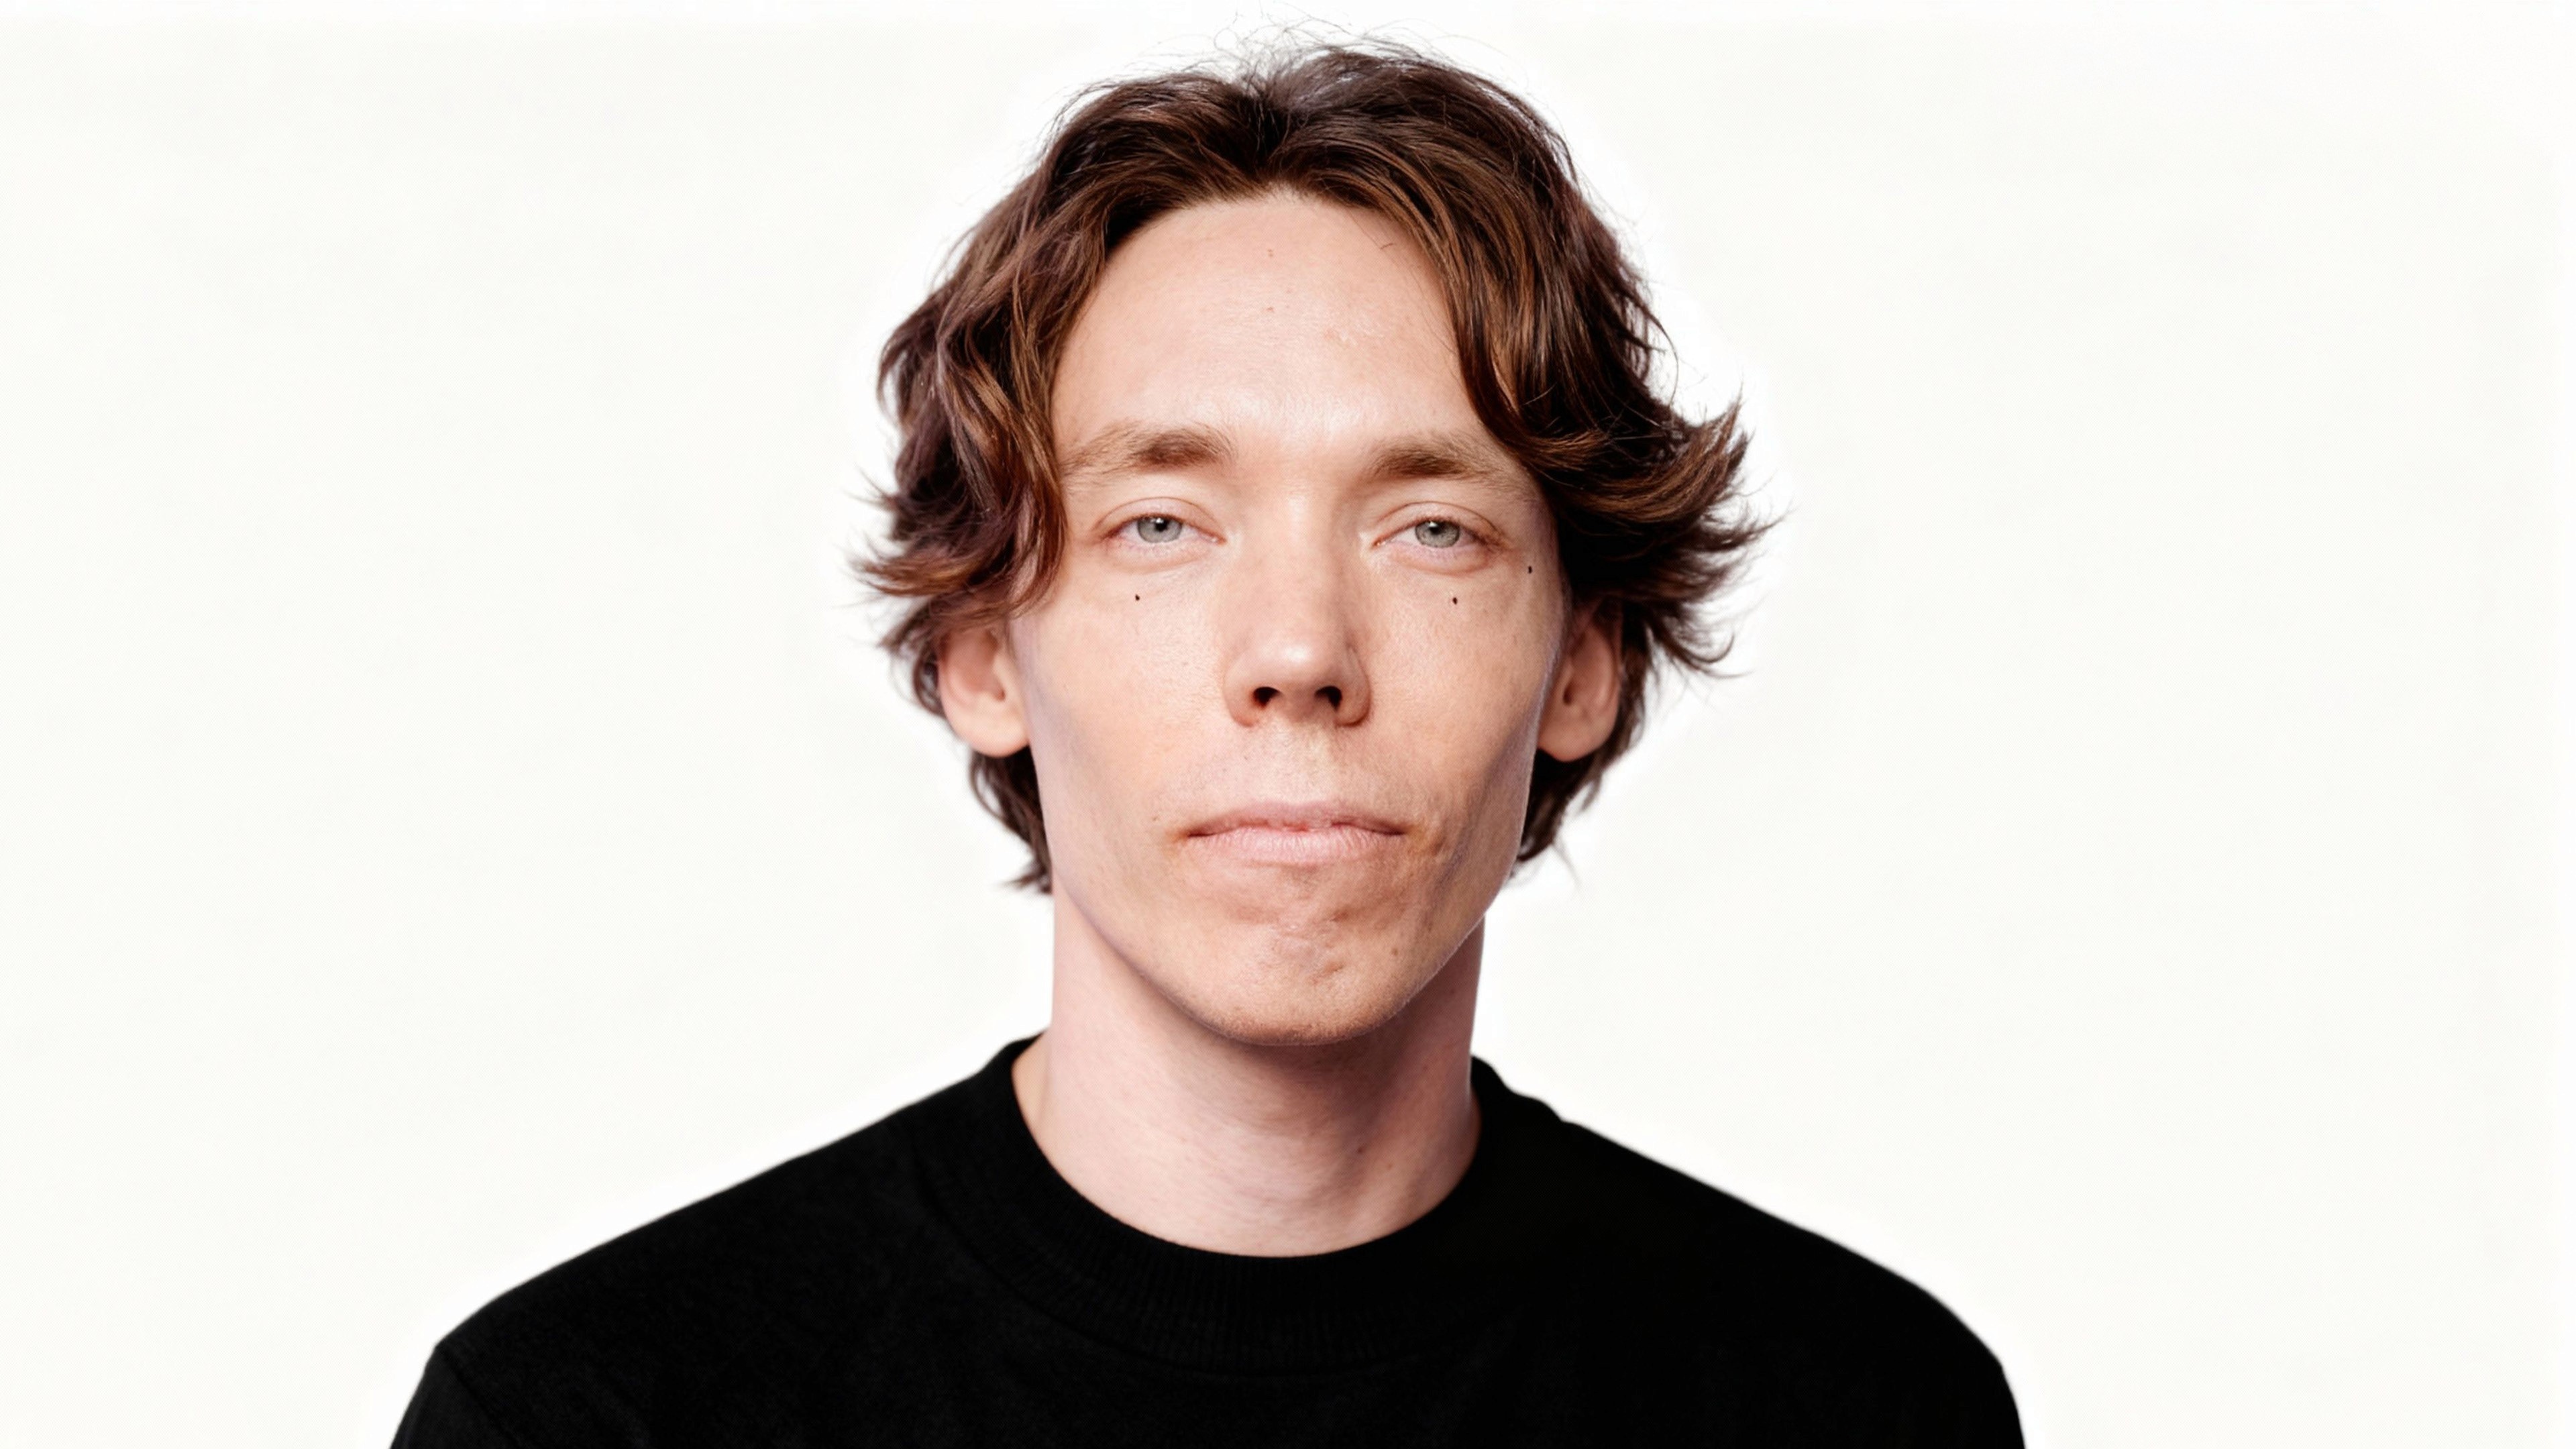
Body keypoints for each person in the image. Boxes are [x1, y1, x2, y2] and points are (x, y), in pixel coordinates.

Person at [394, 40, 2021, 1446]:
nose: (1299, 652)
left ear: (1580, 664)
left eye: (1432, 530)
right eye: (1164, 525)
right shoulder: (590, 1418)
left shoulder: (1858, 1409)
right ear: (981, 655)